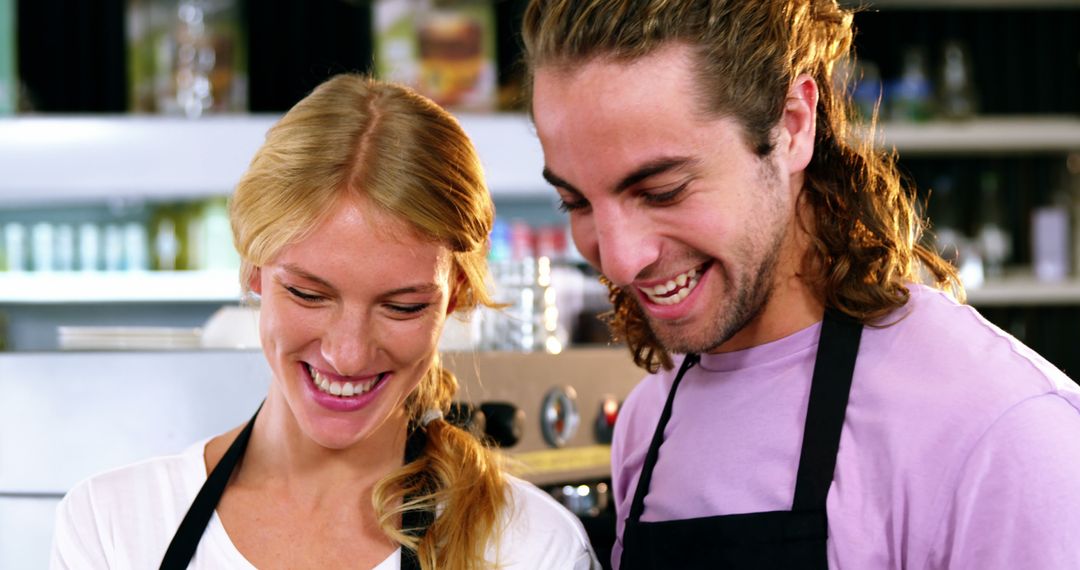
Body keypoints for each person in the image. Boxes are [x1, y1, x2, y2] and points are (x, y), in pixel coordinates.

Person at [521, 1, 1080, 569]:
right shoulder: (650, 419)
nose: (617, 261)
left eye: (664, 190)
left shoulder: (1000, 432)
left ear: (792, 125)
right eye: (576, 201)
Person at [50, 74, 600, 570]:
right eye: (309, 294)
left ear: (455, 294)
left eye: (402, 306)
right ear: (253, 270)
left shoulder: (531, 548)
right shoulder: (113, 526)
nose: (349, 353)